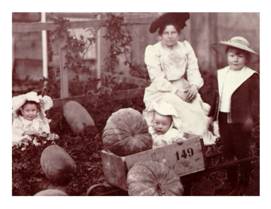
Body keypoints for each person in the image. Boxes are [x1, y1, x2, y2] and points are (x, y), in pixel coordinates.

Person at [143, 13, 215, 145]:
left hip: (183, 85)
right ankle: (182, 141)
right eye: (166, 33)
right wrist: (176, 92)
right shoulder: (153, 51)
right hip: (163, 89)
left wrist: (194, 86)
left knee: (194, 103)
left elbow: (193, 69)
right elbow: (157, 78)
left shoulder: (185, 48)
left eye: (173, 32)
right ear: (160, 35)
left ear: (179, 33)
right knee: (178, 104)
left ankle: (199, 140)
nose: (170, 36)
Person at [210, 36, 259, 195]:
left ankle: (243, 183)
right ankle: (230, 181)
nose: (235, 59)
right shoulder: (222, 74)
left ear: (247, 58)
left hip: (241, 120)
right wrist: (212, 116)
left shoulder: (251, 76)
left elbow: (256, 101)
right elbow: (217, 96)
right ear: (227, 56)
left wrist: (251, 118)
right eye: (232, 55)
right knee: (227, 150)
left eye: (240, 55)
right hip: (224, 118)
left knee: (242, 151)